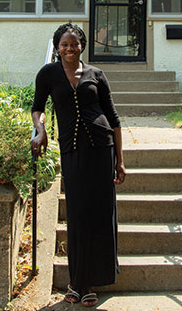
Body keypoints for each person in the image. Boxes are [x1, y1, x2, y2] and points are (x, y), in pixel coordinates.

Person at [31, 23, 126, 308]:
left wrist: (120, 161)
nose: (69, 48)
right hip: (72, 150)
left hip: (102, 149)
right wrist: (40, 130)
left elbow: (113, 118)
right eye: (64, 44)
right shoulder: (48, 73)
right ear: (57, 47)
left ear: (82, 46)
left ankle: (89, 284)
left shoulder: (97, 74)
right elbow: (37, 108)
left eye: (74, 44)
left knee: (99, 214)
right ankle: (77, 281)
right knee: (77, 213)